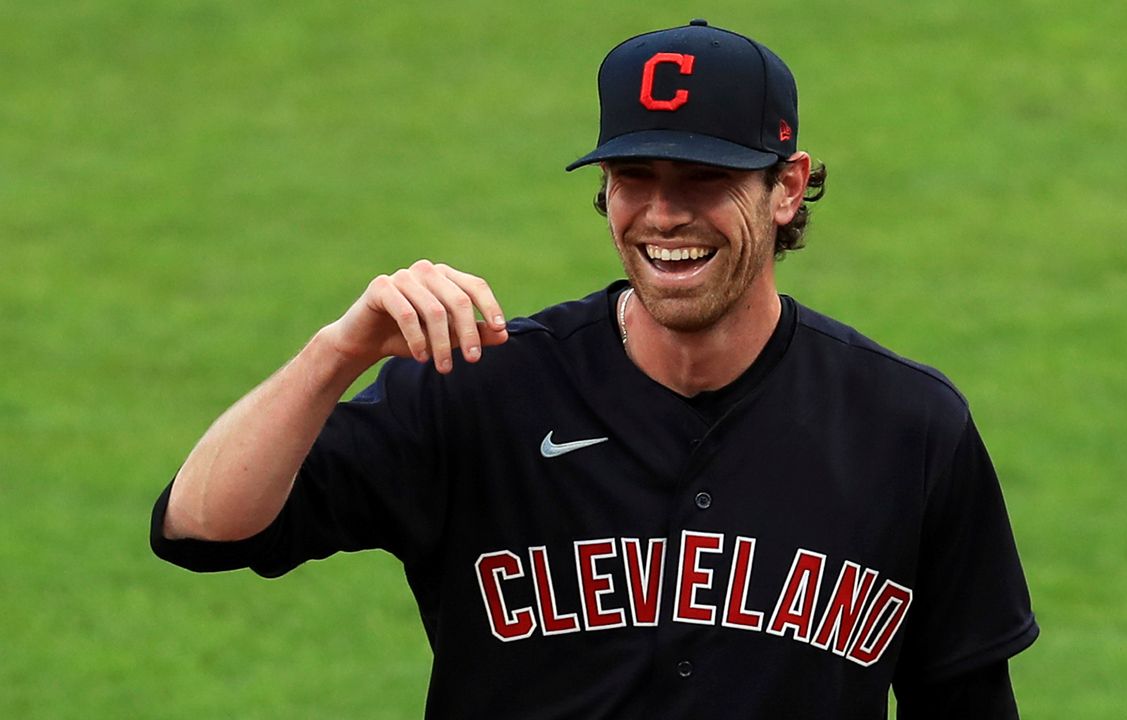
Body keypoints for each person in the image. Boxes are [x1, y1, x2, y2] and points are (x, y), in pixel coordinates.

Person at [152, 19, 1038, 719]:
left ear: (787, 186)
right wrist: (337, 351)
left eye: (702, 179)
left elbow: (963, 700)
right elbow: (202, 529)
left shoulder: (907, 427)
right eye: (633, 176)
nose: (662, 214)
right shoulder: (481, 388)